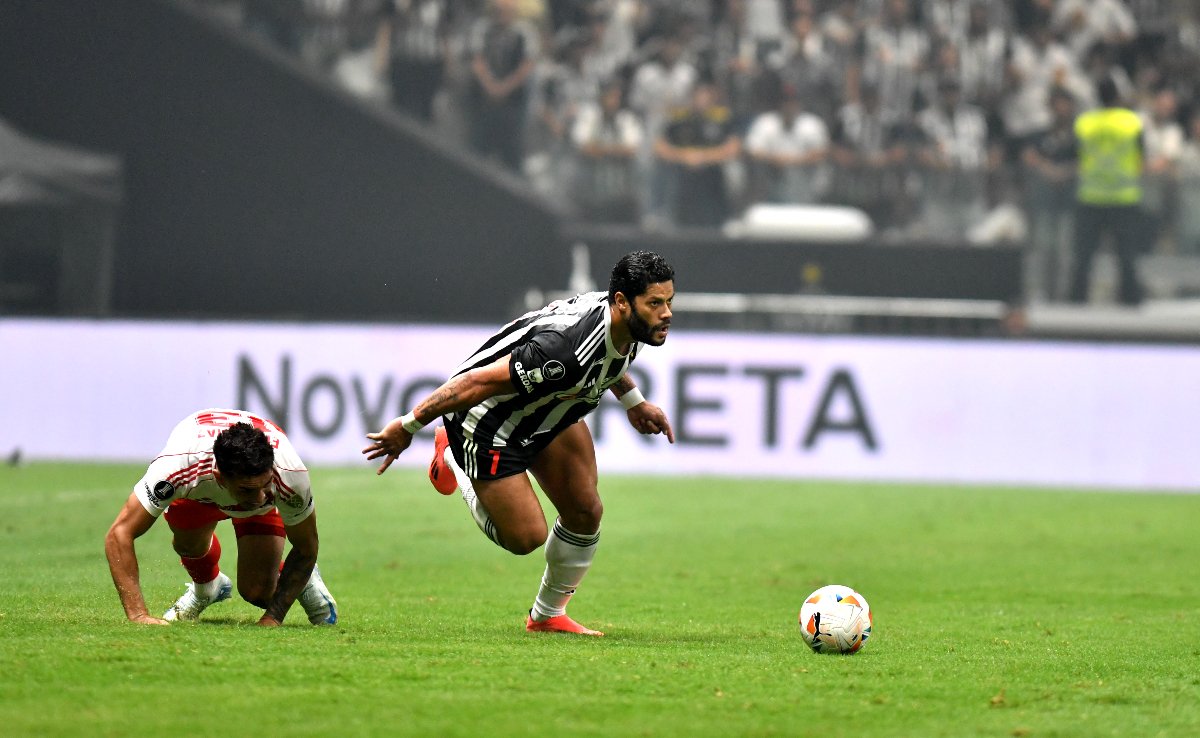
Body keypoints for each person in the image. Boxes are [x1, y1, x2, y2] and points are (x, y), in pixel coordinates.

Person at [363, 251, 676, 636]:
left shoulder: (632, 325)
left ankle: (546, 616)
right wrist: (409, 425)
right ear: (622, 302)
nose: (666, 314)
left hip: (546, 410)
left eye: (669, 302)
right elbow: (476, 383)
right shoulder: (565, 350)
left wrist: (634, 402)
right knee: (526, 537)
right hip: (487, 421)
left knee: (585, 510)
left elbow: (607, 360)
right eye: (656, 304)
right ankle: (452, 457)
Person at [105, 409, 338, 626]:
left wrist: (273, 617)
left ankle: (304, 578)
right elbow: (119, 534)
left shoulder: (289, 474)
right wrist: (138, 615)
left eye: (264, 485)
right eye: (248, 489)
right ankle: (207, 588)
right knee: (186, 545)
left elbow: (306, 546)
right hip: (199, 494)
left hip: (244, 493)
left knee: (259, 592)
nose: (258, 498)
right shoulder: (178, 467)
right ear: (219, 477)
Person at [1068, 75, 1146, 305]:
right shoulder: (1131, 122)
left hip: (1090, 196)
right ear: (1117, 96)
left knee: (1083, 256)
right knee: (1127, 255)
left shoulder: (1084, 123)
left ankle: (1076, 302)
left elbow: (1075, 155)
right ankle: (1131, 301)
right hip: (1124, 197)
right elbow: (1141, 154)